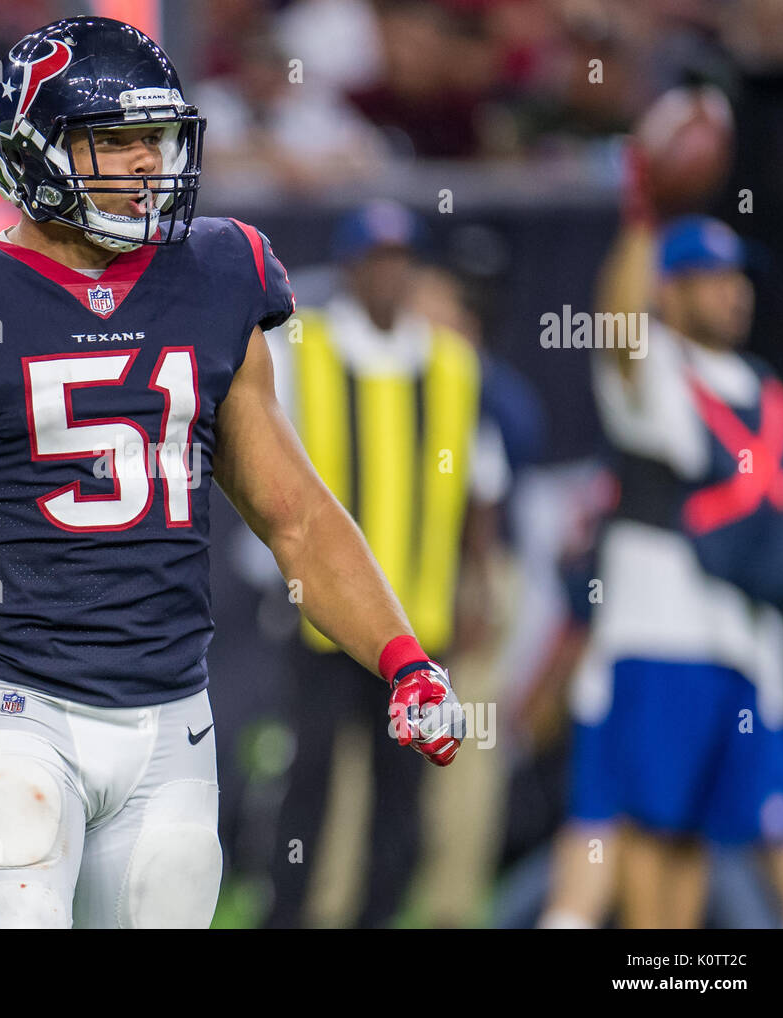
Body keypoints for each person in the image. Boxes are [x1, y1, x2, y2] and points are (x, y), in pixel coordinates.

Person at [0, 15, 464, 930]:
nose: (145, 166)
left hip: (175, 718)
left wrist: (403, 658)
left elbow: (294, 515)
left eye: (157, 139)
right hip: (16, 709)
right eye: (115, 142)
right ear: (34, 149)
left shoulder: (220, 273)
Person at [541, 210, 783, 929]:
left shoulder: (764, 385)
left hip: (747, 646)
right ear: (669, 291)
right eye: (709, 279)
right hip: (659, 639)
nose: (733, 292)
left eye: (736, 277)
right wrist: (641, 220)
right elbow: (617, 325)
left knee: (696, 842)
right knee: (645, 832)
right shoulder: (653, 367)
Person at [264, 203, 507, 927]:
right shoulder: (302, 350)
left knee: (401, 786)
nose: (389, 276)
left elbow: (482, 482)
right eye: (375, 261)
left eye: (402, 261)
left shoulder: (452, 363)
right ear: (348, 270)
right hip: (324, 617)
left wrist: (480, 581)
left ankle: (379, 916)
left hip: (417, 619)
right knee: (308, 775)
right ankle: (289, 912)